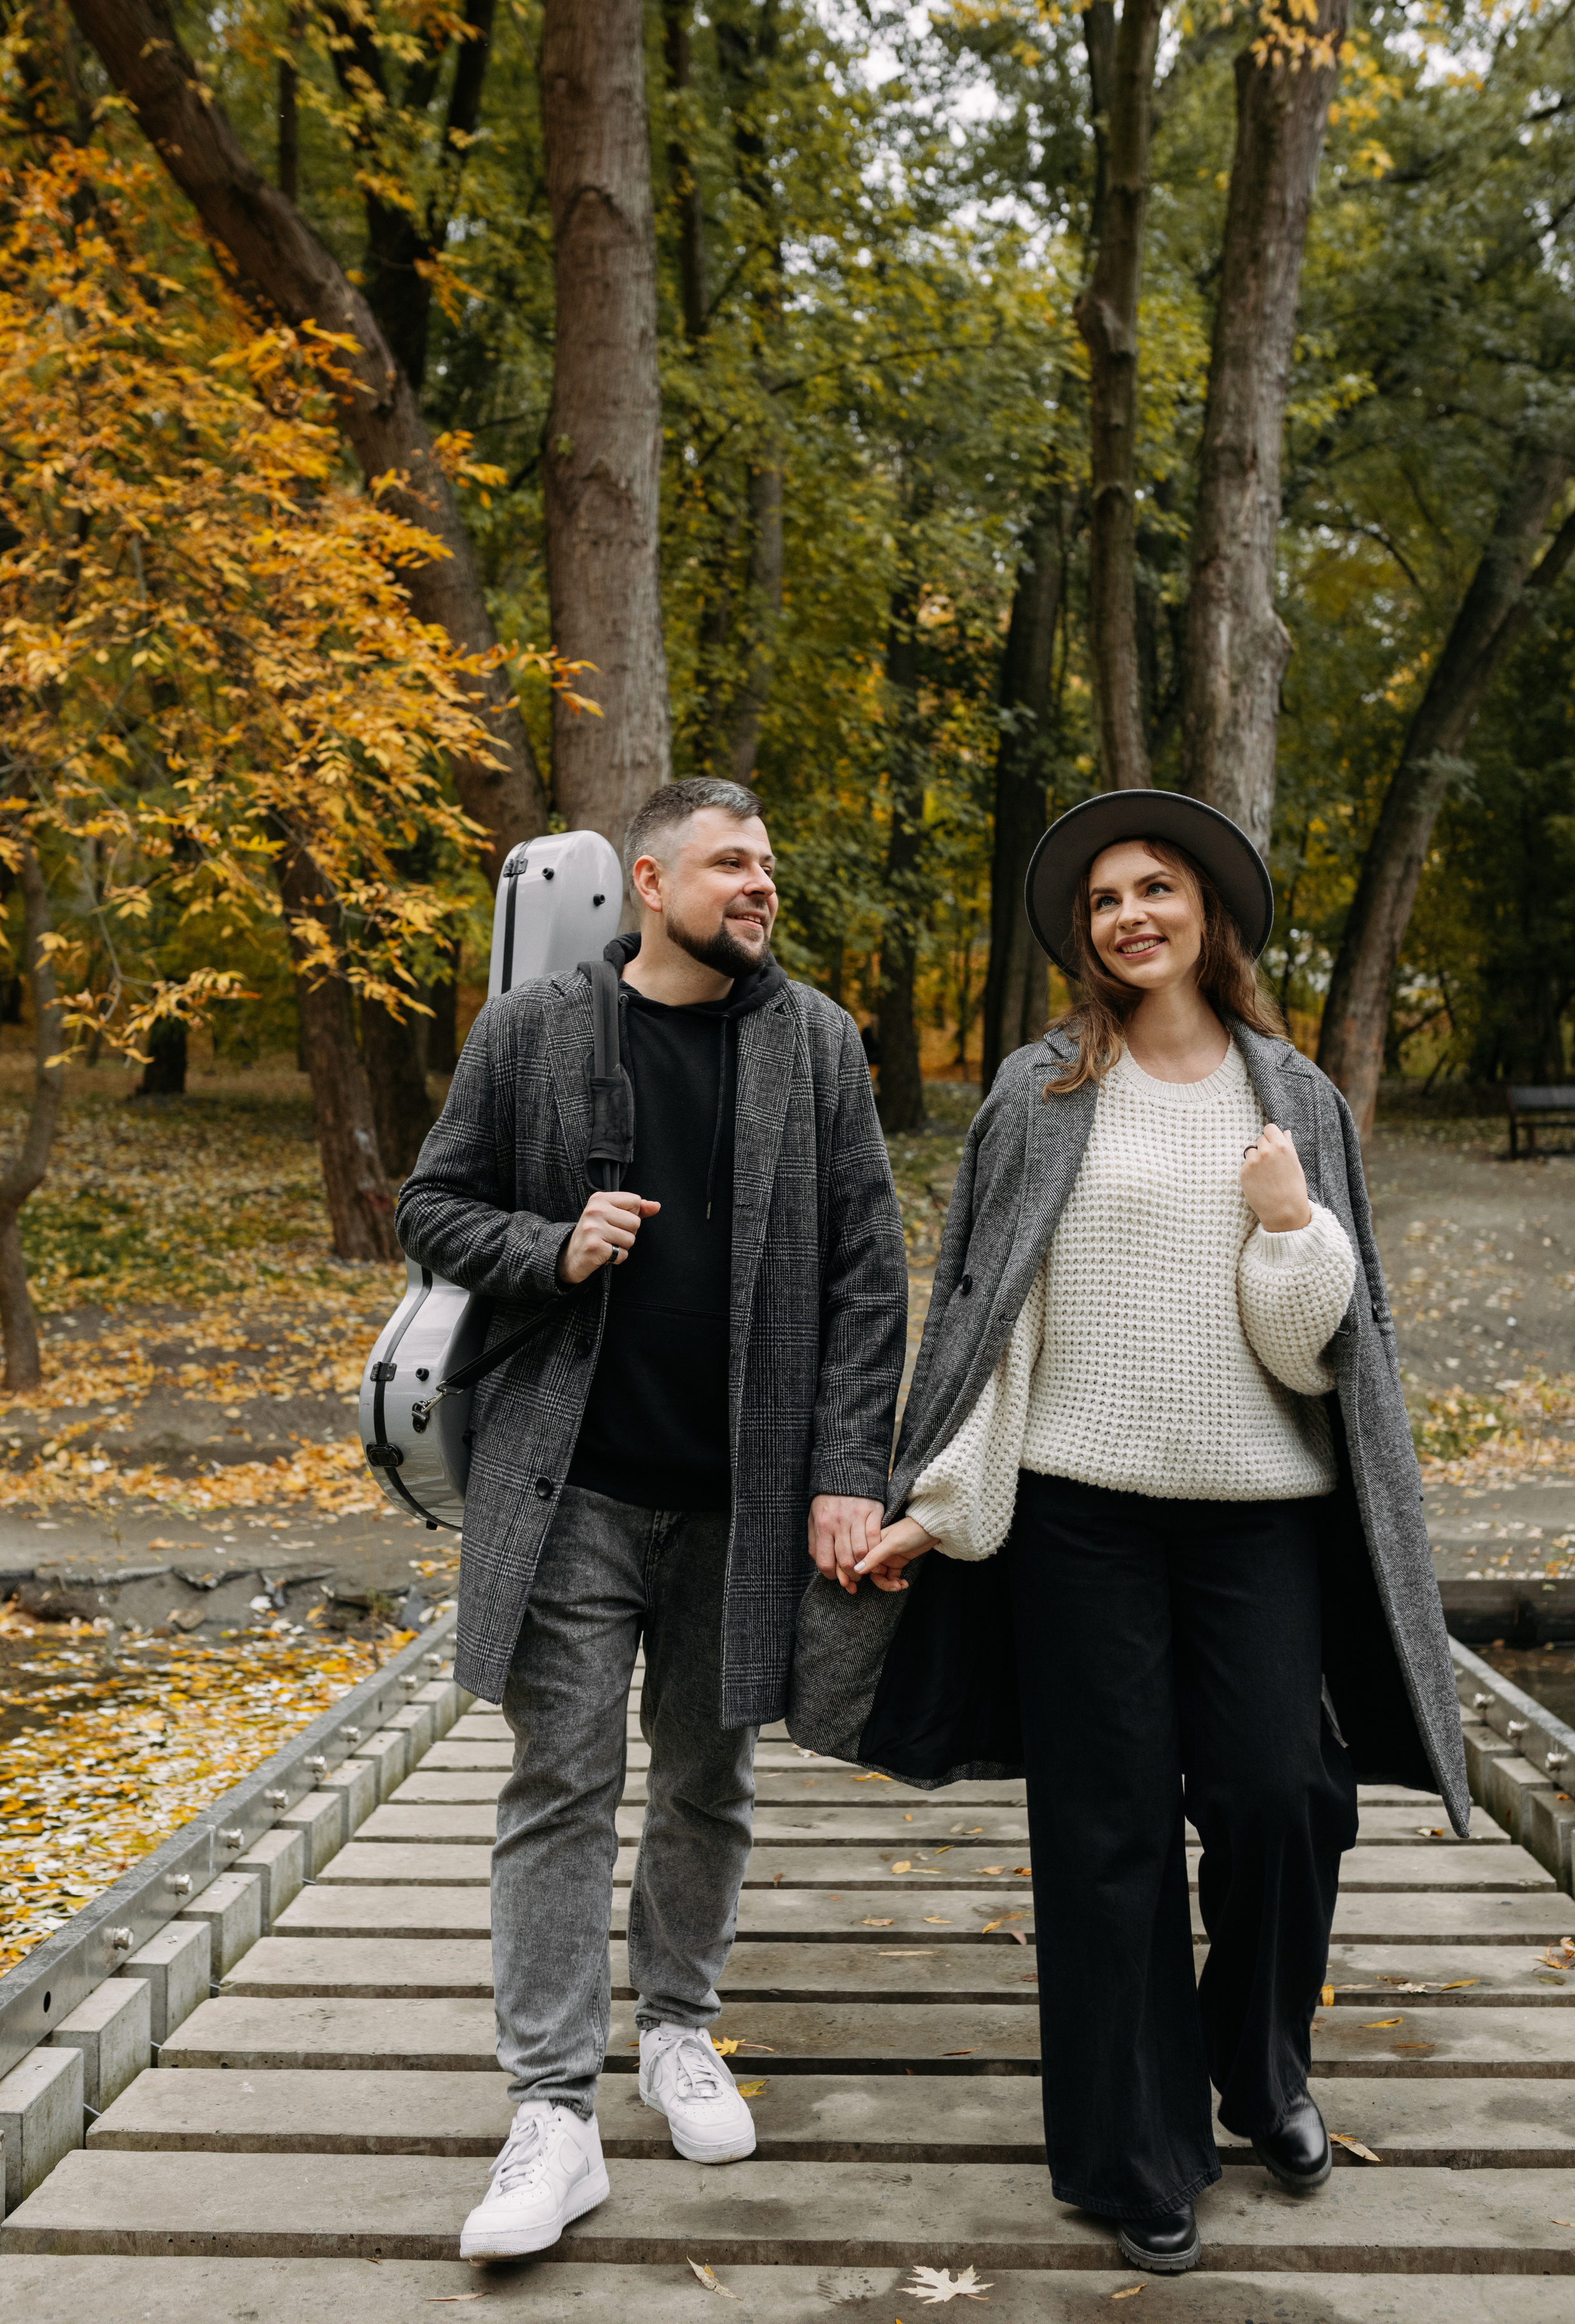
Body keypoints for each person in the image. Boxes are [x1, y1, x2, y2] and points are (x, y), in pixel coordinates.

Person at [787, 789, 1468, 2278]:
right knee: (1101, 1835)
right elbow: (989, 1324)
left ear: (1208, 913)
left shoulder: (1294, 1103)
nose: (1129, 916)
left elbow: (1315, 1357)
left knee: (1281, 1793)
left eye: (1154, 888)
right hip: (1079, 1517)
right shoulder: (1037, 1095)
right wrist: (937, 1509)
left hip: (1259, 1516)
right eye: (1103, 901)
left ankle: (1261, 2071)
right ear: (1086, 938)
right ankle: (1132, 2152)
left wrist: (1291, 1227)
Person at [395, 775, 907, 2261]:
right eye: (732, 863)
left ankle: (679, 2026)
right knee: (558, 1783)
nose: (758, 885)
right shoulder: (535, 1032)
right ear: (649, 878)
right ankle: (550, 2107)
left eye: (767, 865)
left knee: (708, 1780)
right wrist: (551, 1250)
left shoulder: (815, 1044)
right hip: (572, 1492)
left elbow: (865, 1276)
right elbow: (428, 1209)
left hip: (741, 1502)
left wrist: (845, 1468)